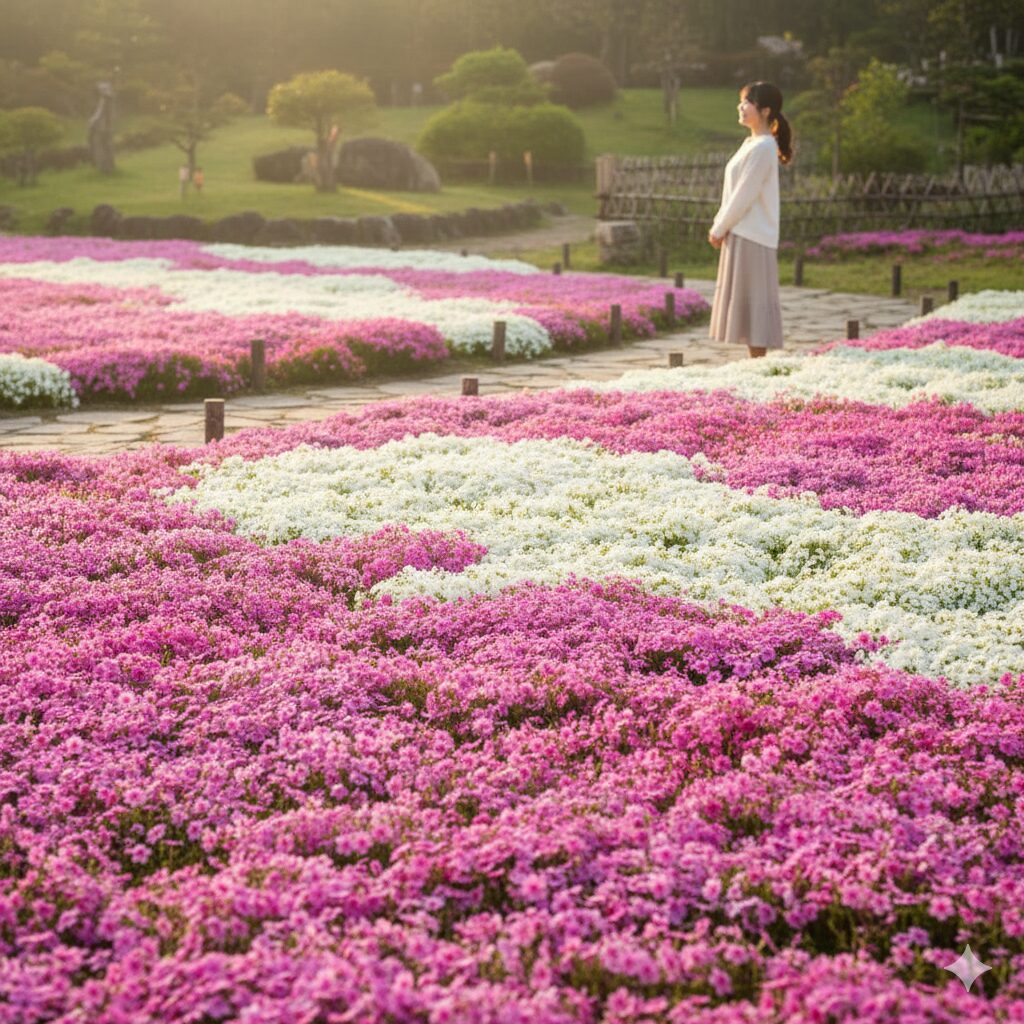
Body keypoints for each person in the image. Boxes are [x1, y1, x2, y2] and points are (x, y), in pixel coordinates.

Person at [708, 81, 793, 358]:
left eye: (747, 102)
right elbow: (733, 194)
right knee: (747, 304)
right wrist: (722, 225)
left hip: (753, 234)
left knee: (754, 304)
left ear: (765, 110)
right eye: (741, 102)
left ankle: (758, 365)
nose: (741, 107)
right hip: (741, 232)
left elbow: (744, 195)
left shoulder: (764, 147)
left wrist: (719, 227)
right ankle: (754, 364)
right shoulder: (751, 144)